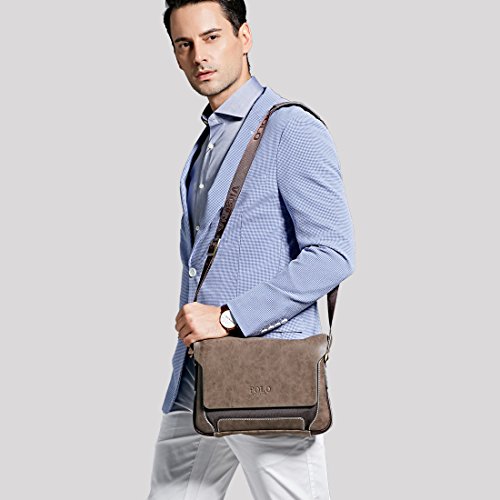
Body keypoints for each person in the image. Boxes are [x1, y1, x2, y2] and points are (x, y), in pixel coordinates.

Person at [146, 1, 355, 498]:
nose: (199, 55)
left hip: (267, 380)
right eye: (184, 43)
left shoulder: (290, 129)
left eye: (212, 37)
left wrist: (228, 318)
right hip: (198, 375)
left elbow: (333, 253)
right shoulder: (208, 141)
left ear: (244, 37)